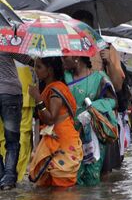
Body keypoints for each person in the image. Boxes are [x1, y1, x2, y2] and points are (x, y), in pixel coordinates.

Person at [28, 57, 83, 187]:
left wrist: (37, 99)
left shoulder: (56, 89)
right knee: (50, 189)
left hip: (62, 141)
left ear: (50, 70)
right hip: (55, 140)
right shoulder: (52, 87)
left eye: (39, 67)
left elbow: (51, 118)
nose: (35, 70)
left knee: (61, 190)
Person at [63, 56, 117, 186]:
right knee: (70, 175)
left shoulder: (99, 78)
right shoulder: (63, 77)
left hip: (93, 134)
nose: (62, 60)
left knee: (92, 175)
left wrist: (92, 108)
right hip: (69, 133)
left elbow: (112, 101)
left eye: (65, 57)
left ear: (77, 58)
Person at [0, 53, 32, 190]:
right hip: (10, 93)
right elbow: (27, 60)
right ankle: (8, 179)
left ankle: (2, 175)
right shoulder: (5, 40)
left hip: (10, 93)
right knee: (12, 141)